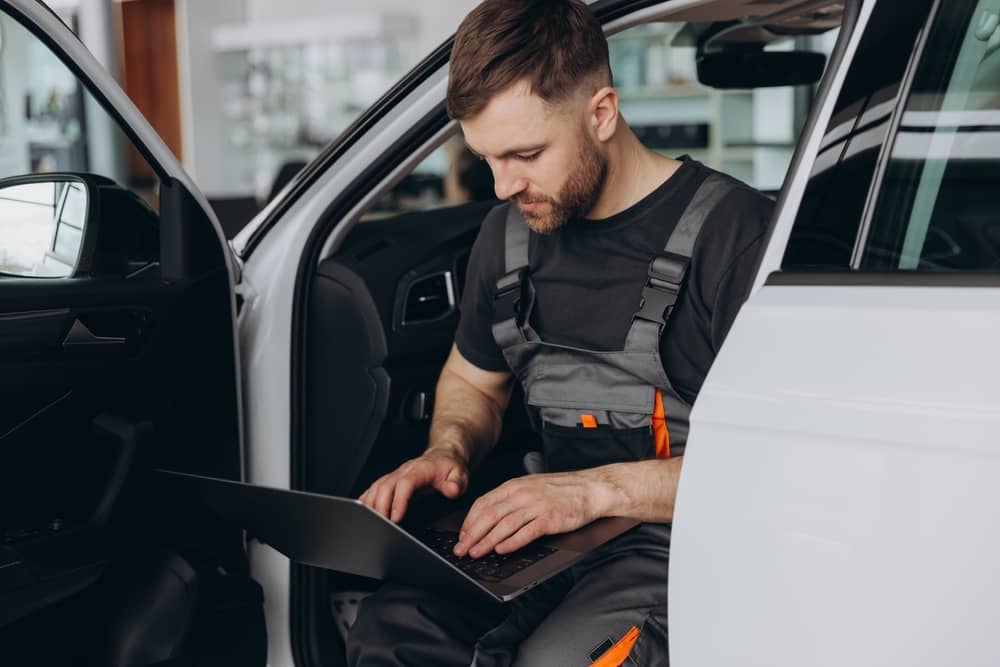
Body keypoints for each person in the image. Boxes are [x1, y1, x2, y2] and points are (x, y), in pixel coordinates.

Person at [349, 1, 774, 664]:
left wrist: (594, 490)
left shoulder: (735, 236)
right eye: (486, 157)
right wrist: (450, 448)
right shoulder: (508, 233)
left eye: (524, 154)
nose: (502, 183)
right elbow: (472, 380)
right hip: (547, 532)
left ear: (601, 112)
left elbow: (775, 467)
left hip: (677, 543)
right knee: (391, 626)